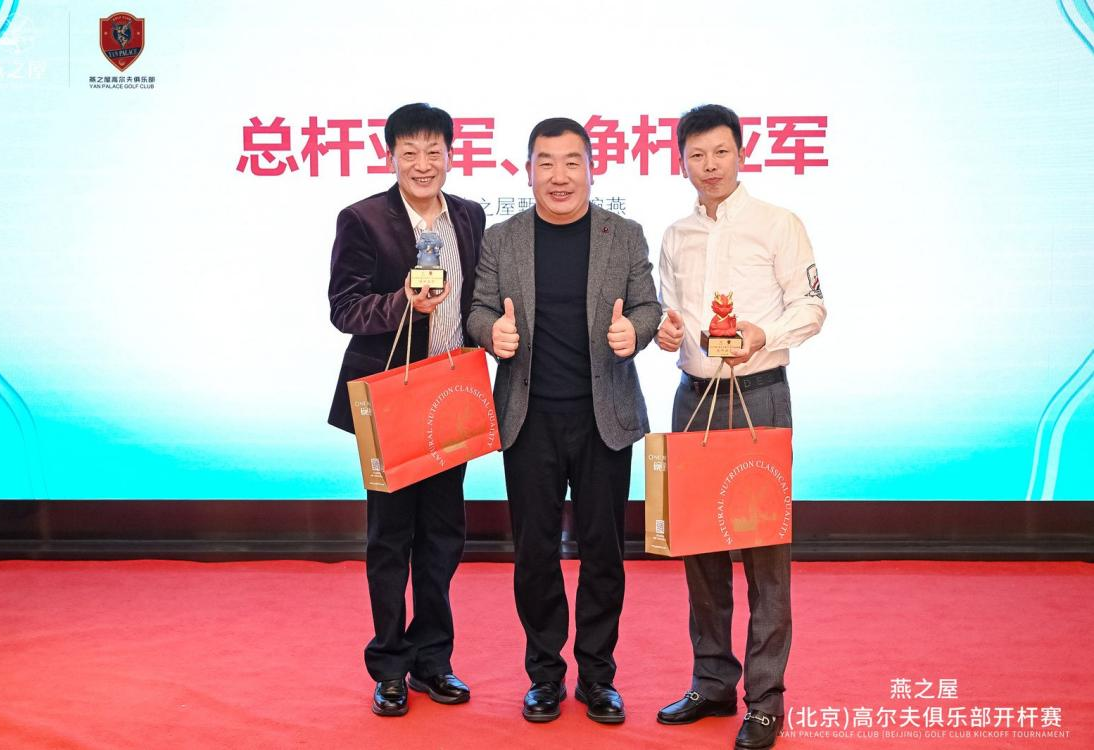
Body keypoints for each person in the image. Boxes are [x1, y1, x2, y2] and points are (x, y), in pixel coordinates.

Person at [466, 118, 661, 724]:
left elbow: (649, 306)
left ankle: (598, 677)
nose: (559, 176)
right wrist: (490, 334)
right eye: (545, 163)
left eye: (571, 162)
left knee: (605, 552)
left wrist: (636, 332)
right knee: (535, 553)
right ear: (528, 171)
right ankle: (544, 675)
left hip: (605, 419)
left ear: (591, 169)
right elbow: (477, 309)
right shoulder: (502, 239)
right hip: (529, 420)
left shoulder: (622, 235)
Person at [653, 104, 826, 749]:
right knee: (699, 551)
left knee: (765, 556)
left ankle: (766, 699)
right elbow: (671, 315)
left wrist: (763, 334)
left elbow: (812, 306)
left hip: (760, 395)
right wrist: (665, 331)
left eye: (720, 152)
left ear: (741, 153)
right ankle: (712, 682)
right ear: (682, 162)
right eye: (697, 155)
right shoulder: (675, 235)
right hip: (694, 399)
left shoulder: (779, 224)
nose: (710, 166)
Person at [327, 103, 485, 717]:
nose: (423, 164)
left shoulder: (469, 216)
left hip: (451, 398)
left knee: (443, 536)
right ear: (390, 155)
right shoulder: (363, 219)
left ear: (450, 153)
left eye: (433, 151)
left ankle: (433, 661)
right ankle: (390, 666)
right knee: (391, 537)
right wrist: (403, 303)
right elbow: (344, 308)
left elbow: (477, 300)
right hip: (390, 399)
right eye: (410, 152)